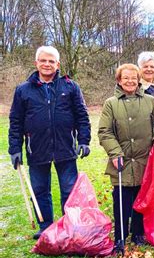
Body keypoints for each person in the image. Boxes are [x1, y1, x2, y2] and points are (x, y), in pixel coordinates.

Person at [8, 46, 91, 239]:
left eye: (51, 61)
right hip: (36, 149)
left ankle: (69, 226)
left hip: (65, 148)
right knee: (39, 190)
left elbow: (82, 116)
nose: (47, 64)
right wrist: (15, 149)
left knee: (69, 190)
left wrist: (84, 140)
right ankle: (46, 227)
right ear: (36, 63)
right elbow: (16, 121)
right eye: (43, 61)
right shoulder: (23, 90)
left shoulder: (70, 87)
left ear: (58, 64)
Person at [98, 63, 154, 251]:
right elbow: (104, 132)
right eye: (125, 78)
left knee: (141, 198)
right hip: (121, 160)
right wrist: (115, 152)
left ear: (139, 80)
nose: (130, 81)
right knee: (121, 200)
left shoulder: (150, 100)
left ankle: (138, 233)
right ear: (119, 81)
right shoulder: (111, 103)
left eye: (133, 78)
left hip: (145, 159)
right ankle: (120, 237)